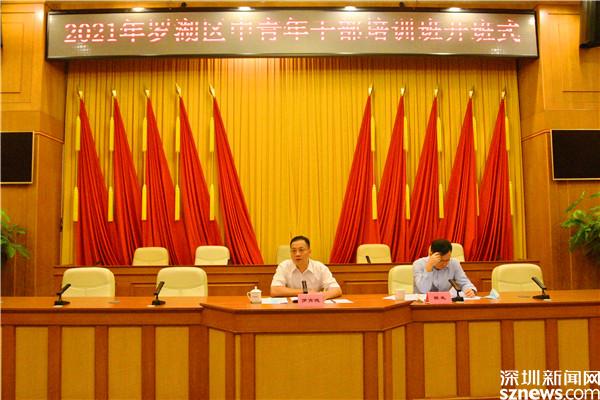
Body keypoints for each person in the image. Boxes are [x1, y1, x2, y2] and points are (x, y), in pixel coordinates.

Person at [270, 235, 342, 300]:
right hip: (292, 306)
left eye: (301, 250)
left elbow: (337, 289)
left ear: (309, 251)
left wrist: (321, 296)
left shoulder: (320, 268)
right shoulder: (284, 266)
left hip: (314, 306)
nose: (297, 254)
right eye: (293, 251)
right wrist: (305, 292)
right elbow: (274, 290)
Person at [413, 239, 477, 297]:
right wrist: (429, 267)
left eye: (447, 260)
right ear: (431, 254)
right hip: (422, 303)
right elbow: (423, 290)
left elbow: (464, 283)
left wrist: (470, 290)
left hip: (444, 301)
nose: (444, 264)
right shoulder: (419, 264)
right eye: (441, 260)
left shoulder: (454, 263)